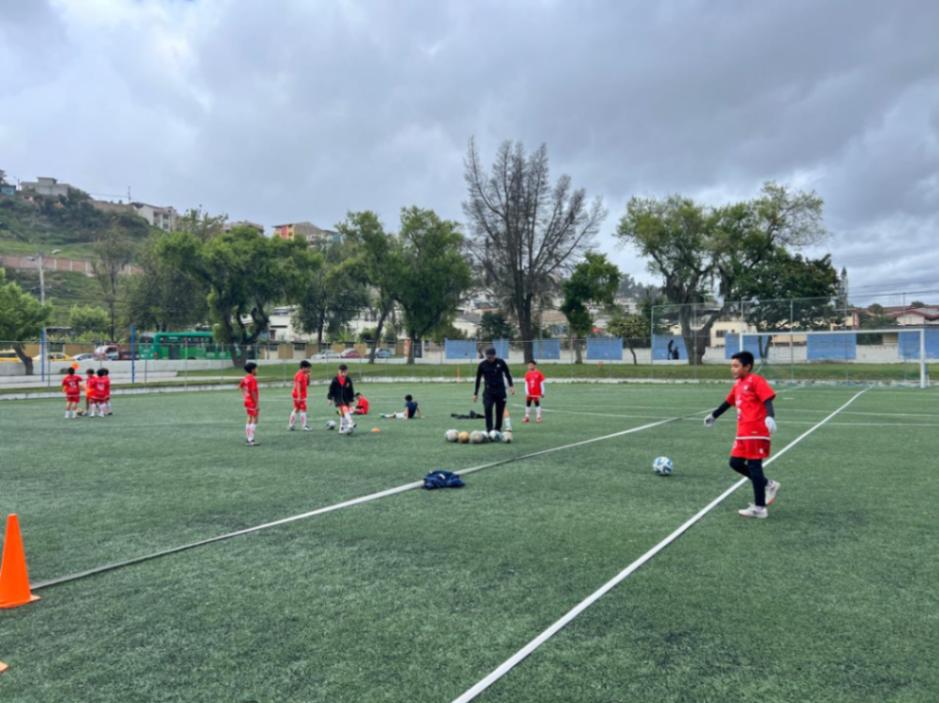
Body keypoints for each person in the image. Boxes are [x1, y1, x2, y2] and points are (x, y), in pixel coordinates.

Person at [704, 350, 780, 519]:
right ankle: (768, 484)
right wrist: (714, 415)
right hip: (743, 432)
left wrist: (770, 416)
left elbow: (767, 399)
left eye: (736, 366)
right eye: (732, 366)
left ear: (747, 366)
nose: (733, 369)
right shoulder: (738, 384)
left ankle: (760, 508)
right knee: (735, 463)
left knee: (754, 466)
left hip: (756, 430)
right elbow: (728, 402)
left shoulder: (756, 380)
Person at [472, 347, 514, 434]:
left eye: (491, 357)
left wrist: (511, 386)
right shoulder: (482, 365)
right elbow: (478, 379)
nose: (490, 359)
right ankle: (489, 430)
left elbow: (507, 374)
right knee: (488, 409)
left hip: (500, 391)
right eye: (488, 357)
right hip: (488, 392)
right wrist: (475, 393)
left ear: (495, 355)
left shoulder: (501, 362)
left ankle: (497, 429)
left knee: (499, 411)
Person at [327, 364, 356, 434]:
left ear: (347, 371)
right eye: (341, 372)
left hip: (346, 398)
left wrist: (351, 400)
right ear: (338, 371)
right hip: (338, 398)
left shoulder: (348, 379)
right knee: (345, 409)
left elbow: (351, 390)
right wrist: (330, 398)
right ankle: (351, 423)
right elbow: (331, 390)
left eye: (345, 372)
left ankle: (342, 428)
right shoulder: (335, 380)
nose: (343, 374)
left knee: (343, 413)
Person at [239, 362, 260, 446]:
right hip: (252, 402)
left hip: (247, 401)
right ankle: (251, 440)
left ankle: (249, 438)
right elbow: (253, 392)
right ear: (252, 370)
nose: (257, 370)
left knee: (249, 418)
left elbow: (241, 386)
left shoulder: (246, 378)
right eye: (256, 368)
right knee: (255, 419)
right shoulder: (252, 379)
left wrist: (244, 396)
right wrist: (257, 403)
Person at [289, 360, 312, 431]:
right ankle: (304, 426)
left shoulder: (304, 375)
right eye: (308, 368)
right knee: (303, 409)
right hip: (299, 395)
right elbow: (298, 385)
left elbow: (308, 384)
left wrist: (308, 377)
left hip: (298, 395)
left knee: (296, 409)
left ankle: (291, 425)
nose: (309, 370)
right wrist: (299, 396)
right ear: (303, 368)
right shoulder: (300, 374)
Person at [523, 360, 546, 424]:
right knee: (528, 403)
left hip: (536, 392)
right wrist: (526, 392)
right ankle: (527, 417)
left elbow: (541, 383)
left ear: (534, 366)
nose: (529, 366)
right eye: (529, 365)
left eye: (531, 365)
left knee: (537, 404)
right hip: (529, 393)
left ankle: (538, 417)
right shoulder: (527, 374)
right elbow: (526, 384)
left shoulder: (539, 373)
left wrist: (543, 392)